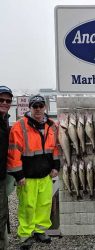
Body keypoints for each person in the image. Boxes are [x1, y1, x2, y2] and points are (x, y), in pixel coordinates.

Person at [7, 95, 60, 250]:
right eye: (35, 106)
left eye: (41, 106)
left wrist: (56, 166)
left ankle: (39, 231)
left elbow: (55, 149)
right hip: (27, 177)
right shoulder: (19, 126)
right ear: (29, 108)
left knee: (44, 204)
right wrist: (18, 175)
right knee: (27, 206)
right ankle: (25, 235)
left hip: (45, 175)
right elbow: (13, 153)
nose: (38, 109)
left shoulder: (52, 126)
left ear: (45, 108)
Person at [0, 86, 13, 250]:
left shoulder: (5, 122)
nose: (4, 103)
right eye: (1, 99)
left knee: (2, 213)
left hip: (2, 176)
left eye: (8, 101)